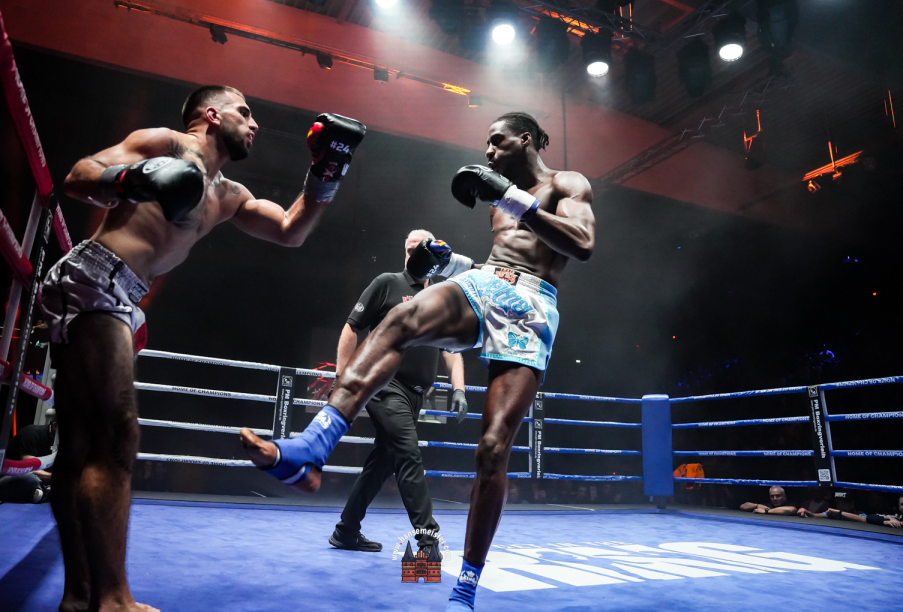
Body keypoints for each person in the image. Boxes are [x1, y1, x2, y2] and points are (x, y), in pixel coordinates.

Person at [240, 111, 595, 611]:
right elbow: (500, 263)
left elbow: (581, 245)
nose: (488, 151)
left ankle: (465, 587)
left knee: (493, 449)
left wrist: (510, 196)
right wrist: (452, 263)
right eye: (487, 144)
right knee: (400, 319)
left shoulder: (567, 183)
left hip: (533, 306)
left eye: (497, 141)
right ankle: (313, 448)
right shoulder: (478, 218)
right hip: (485, 284)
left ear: (527, 139)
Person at [39, 85, 364, 612]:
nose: (254, 124)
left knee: (80, 447)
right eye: (244, 112)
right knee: (119, 435)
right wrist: (130, 179)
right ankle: (113, 599)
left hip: (123, 293)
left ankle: (79, 596)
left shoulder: (229, 193)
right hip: (94, 278)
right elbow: (78, 177)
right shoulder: (166, 143)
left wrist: (325, 173)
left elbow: (290, 231)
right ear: (211, 115)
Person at [329, 229, 468, 555]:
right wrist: (341, 377)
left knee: (383, 463)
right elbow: (352, 326)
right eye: (408, 249)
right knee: (408, 453)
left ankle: (346, 531)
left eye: (418, 249)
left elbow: (450, 349)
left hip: (416, 395)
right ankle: (428, 541)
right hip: (384, 385)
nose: (412, 255)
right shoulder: (388, 283)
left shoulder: (441, 297)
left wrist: (459, 389)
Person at [0, 409, 57, 504]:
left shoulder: (60, 443)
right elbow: (30, 468)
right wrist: (54, 477)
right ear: (54, 426)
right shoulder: (32, 433)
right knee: (31, 478)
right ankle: (45, 493)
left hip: (35, 481)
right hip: (3, 480)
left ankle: (42, 493)